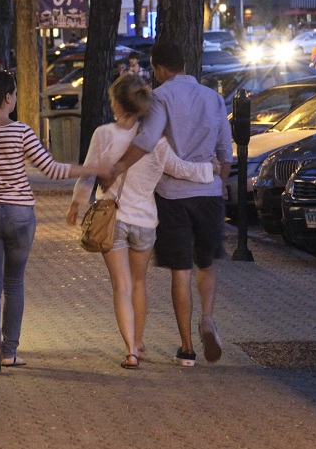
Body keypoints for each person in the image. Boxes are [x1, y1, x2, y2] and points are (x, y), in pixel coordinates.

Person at [0, 70, 101, 374]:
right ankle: (8, 352)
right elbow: (52, 169)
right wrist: (91, 168)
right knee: (14, 283)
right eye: (14, 93)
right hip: (19, 216)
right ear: (7, 98)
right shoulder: (22, 133)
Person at [68, 74, 215, 369]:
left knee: (121, 286)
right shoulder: (157, 142)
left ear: (116, 104)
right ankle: (139, 340)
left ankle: (131, 351)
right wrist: (210, 170)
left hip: (114, 218)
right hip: (146, 222)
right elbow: (180, 169)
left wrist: (78, 204)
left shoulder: (104, 134)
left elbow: (88, 173)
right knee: (138, 283)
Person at [100, 42, 232, 368]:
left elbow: (147, 141)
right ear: (184, 63)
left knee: (181, 270)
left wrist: (118, 166)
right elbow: (225, 152)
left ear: (158, 69)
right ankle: (209, 318)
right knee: (206, 262)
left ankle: (187, 348)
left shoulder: (161, 97)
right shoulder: (214, 98)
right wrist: (220, 185)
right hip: (209, 192)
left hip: (174, 197)